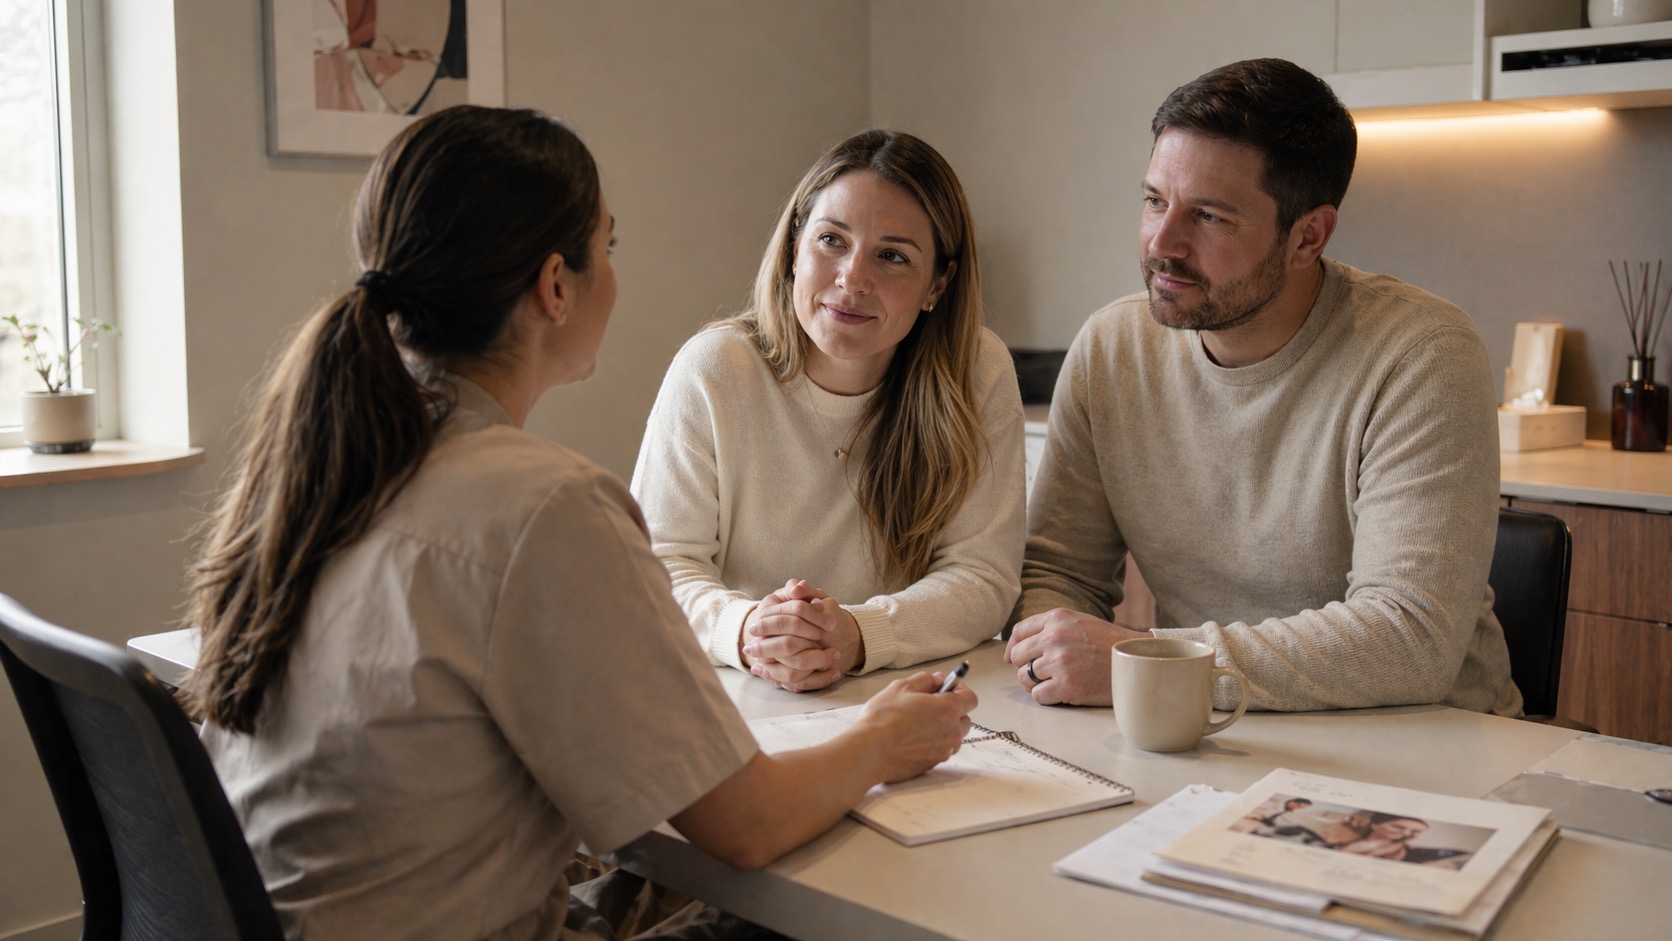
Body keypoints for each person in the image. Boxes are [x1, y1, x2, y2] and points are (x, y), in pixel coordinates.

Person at [186, 106, 976, 941]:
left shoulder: (330, 459)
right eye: (609, 247)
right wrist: (881, 741)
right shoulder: (547, 505)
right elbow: (747, 825)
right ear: (555, 286)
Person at [1005, 58, 1521, 716]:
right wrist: (1051, 656)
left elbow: (1410, 635)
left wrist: (1154, 665)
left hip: (1429, 741)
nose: (1162, 242)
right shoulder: (1112, 348)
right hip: (1212, 729)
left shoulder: (1420, 353)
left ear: (1309, 236)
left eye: (1210, 218)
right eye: (1154, 200)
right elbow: (1059, 572)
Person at [632, 130, 1026, 693]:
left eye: (892, 256)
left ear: (938, 283)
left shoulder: (977, 371)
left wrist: (856, 634)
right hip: (735, 692)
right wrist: (750, 630)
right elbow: (657, 567)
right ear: (795, 249)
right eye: (831, 241)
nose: (852, 280)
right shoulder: (714, 370)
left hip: (901, 691)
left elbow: (983, 577)